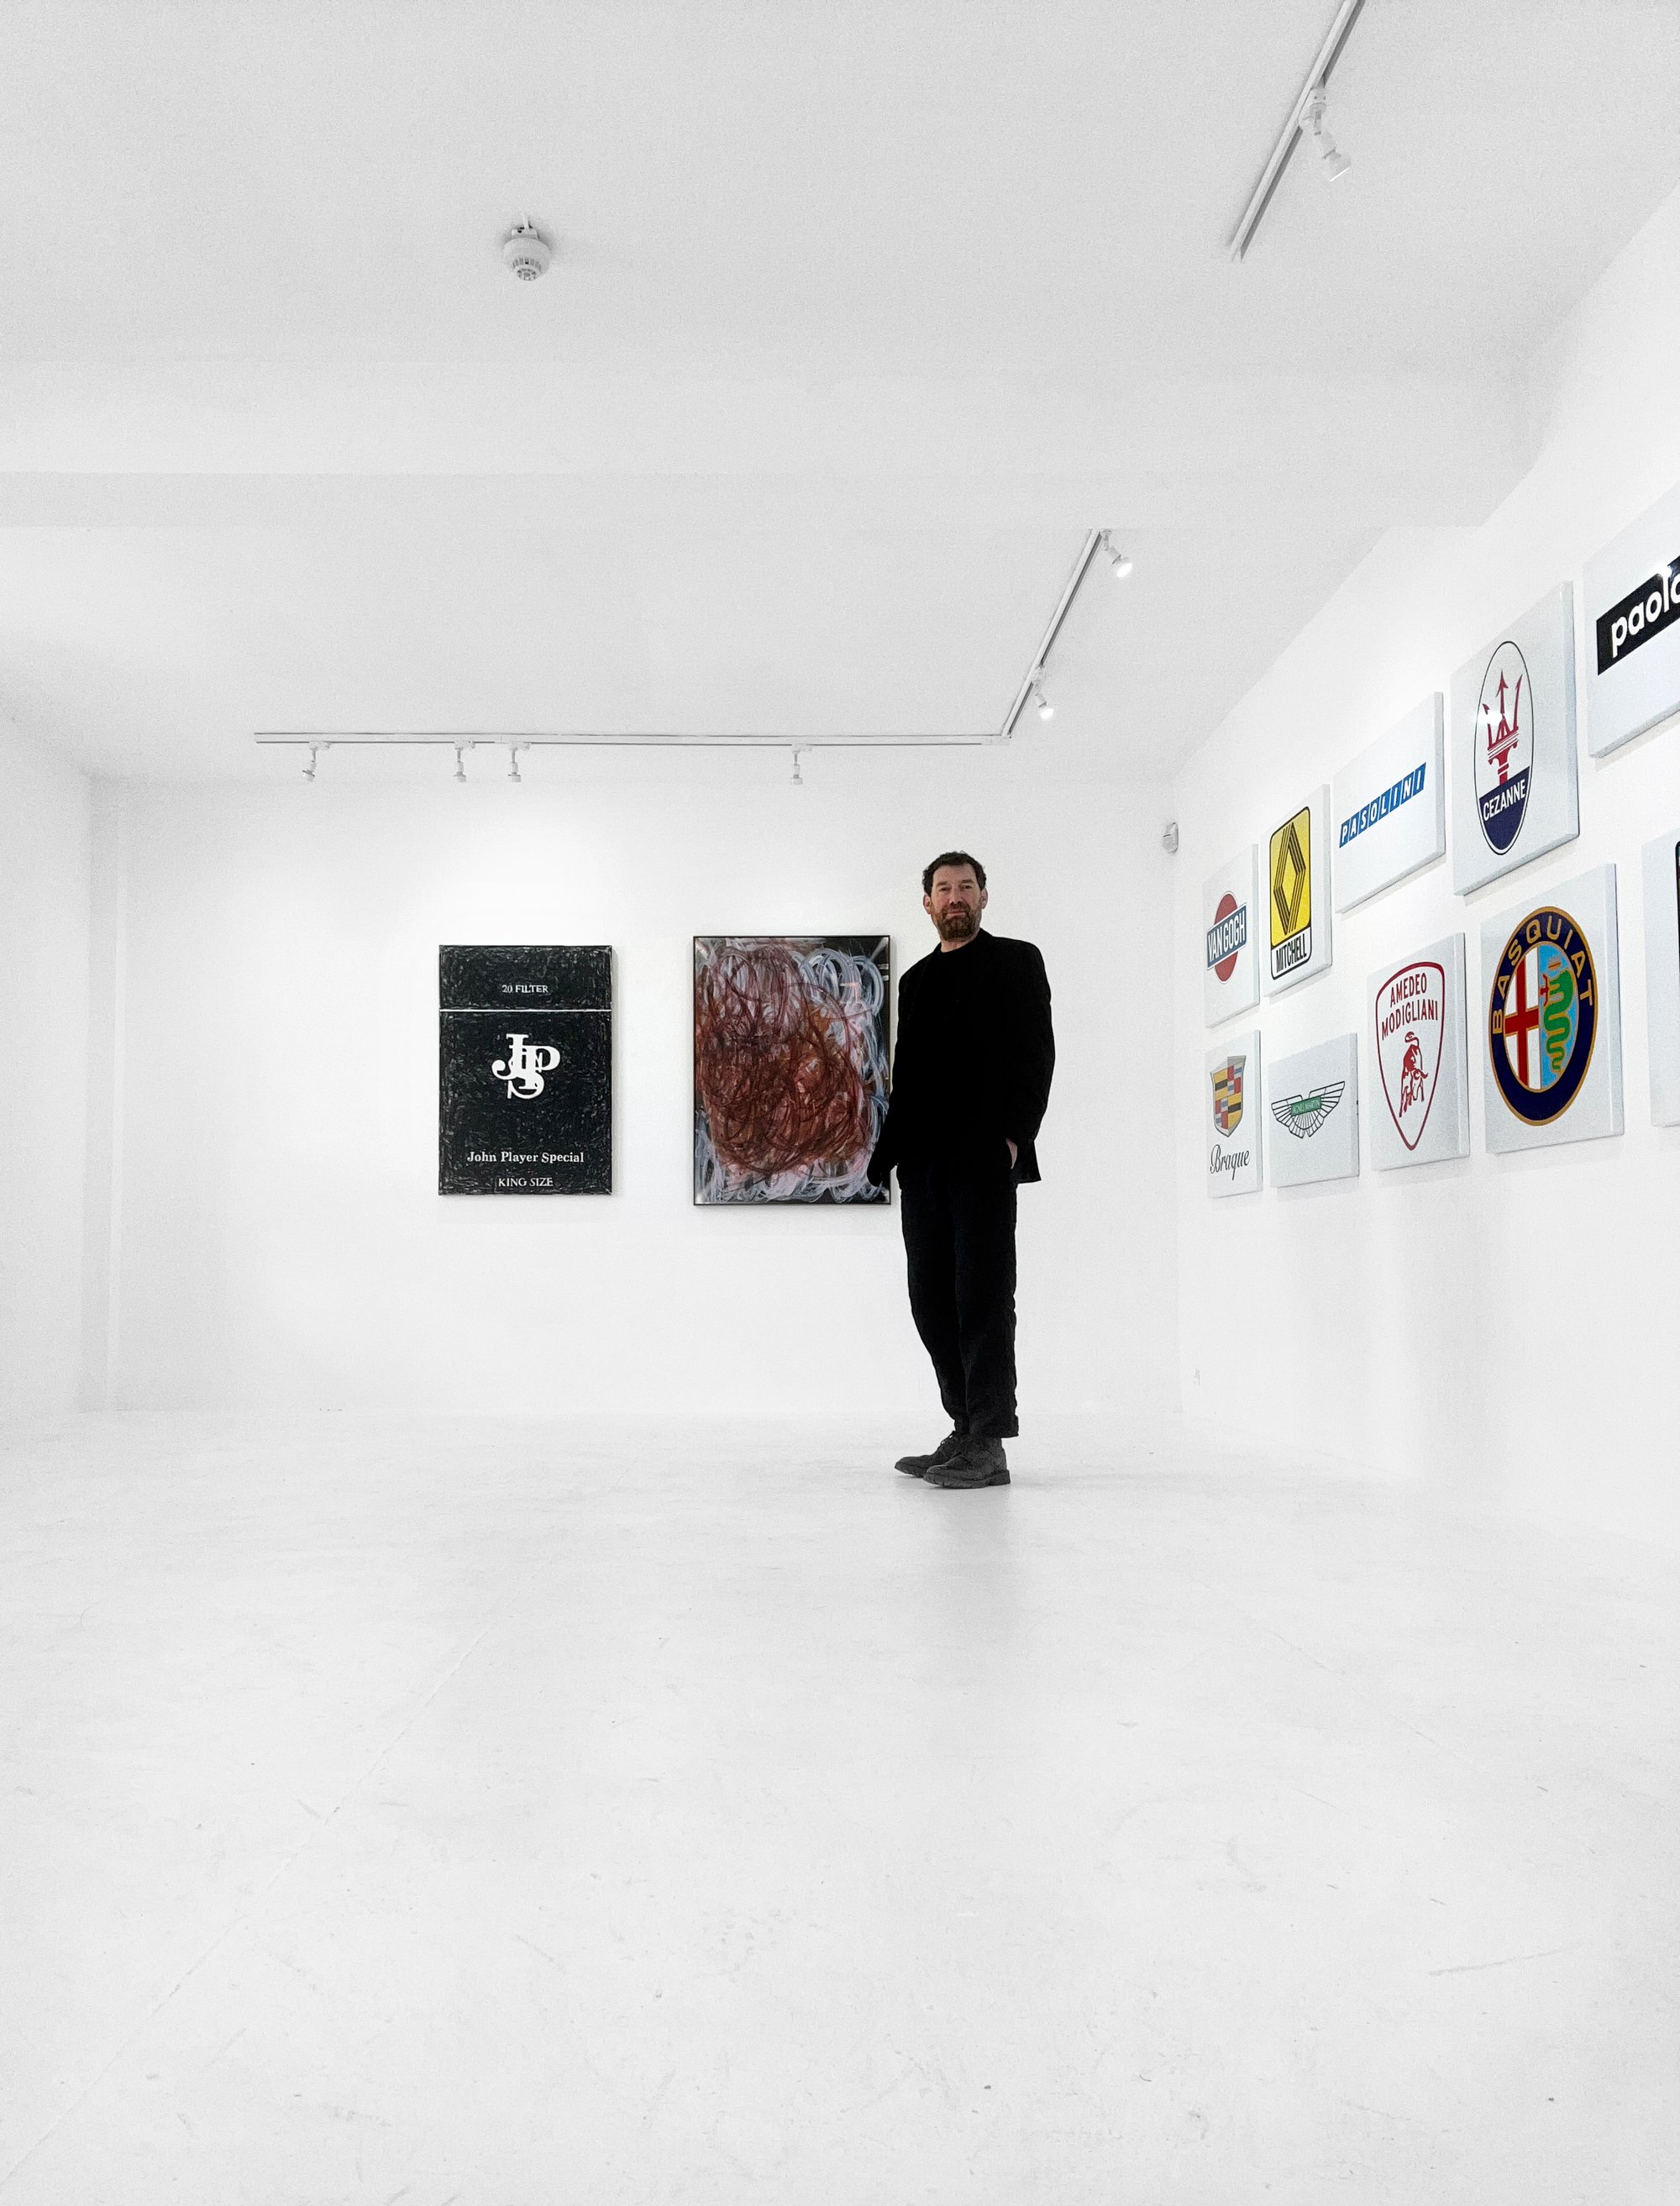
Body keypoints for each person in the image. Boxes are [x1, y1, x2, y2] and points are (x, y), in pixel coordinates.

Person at [866, 852, 1054, 1489]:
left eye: (965, 887)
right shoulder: (916, 980)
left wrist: (1013, 1139)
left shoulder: (1016, 961)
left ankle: (990, 1441)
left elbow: (1036, 1054)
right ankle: (965, 1426)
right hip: (923, 1164)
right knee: (931, 1301)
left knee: (982, 1296)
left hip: (982, 1159)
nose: (955, 897)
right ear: (927, 903)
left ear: (982, 897)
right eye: (943, 889)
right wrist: (886, 1158)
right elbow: (908, 1078)